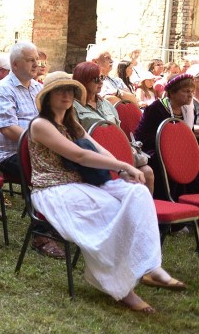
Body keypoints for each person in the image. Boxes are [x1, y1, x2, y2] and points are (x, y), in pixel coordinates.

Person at [28, 71, 183, 314]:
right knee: (111, 212)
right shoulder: (40, 125)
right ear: (48, 96)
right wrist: (122, 166)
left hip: (82, 185)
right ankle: (124, 290)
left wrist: (122, 170)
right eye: (61, 90)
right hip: (53, 189)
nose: (67, 95)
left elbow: (98, 149)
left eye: (70, 91)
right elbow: (78, 155)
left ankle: (151, 267)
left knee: (138, 193)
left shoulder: (71, 123)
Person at [0, 41, 64, 258]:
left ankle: (62, 225)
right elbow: (8, 129)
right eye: (30, 60)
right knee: (50, 172)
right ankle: (41, 236)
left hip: (40, 151)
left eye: (36, 60)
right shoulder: (3, 90)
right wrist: (43, 141)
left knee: (71, 166)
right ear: (15, 64)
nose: (36, 64)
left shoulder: (39, 89)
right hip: (11, 155)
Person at [71, 61, 155, 194]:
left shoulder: (106, 104)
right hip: (95, 153)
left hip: (117, 150)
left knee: (147, 172)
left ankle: (141, 211)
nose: (101, 82)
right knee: (130, 177)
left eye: (102, 78)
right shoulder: (73, 107)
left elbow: (119, 132)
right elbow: (75, 138)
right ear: (82, 81)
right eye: (96, 79)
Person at [134, 73, 199, 200]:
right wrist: (172, 148)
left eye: (192, 91)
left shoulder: (188, 110)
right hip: (153, 150)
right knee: (169, 161)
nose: (190, 95)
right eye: (185, 91)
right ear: (172, 93)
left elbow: (188, 137)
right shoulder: (156, 109)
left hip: (179, 150)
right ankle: (171, 199)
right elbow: (143, 137)